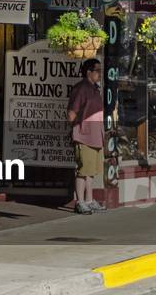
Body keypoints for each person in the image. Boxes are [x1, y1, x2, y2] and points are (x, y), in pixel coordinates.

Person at [67, 58, 105, 214]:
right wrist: (78, 128)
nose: (100, 74)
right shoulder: (81, 88)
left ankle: (89, 200)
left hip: (96, 136)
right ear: (88, 72)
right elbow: (71, 113)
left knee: (91, 171)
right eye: (97, 71)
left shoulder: (95, 89)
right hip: (85, 135)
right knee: (83, 170)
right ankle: (80, 202)